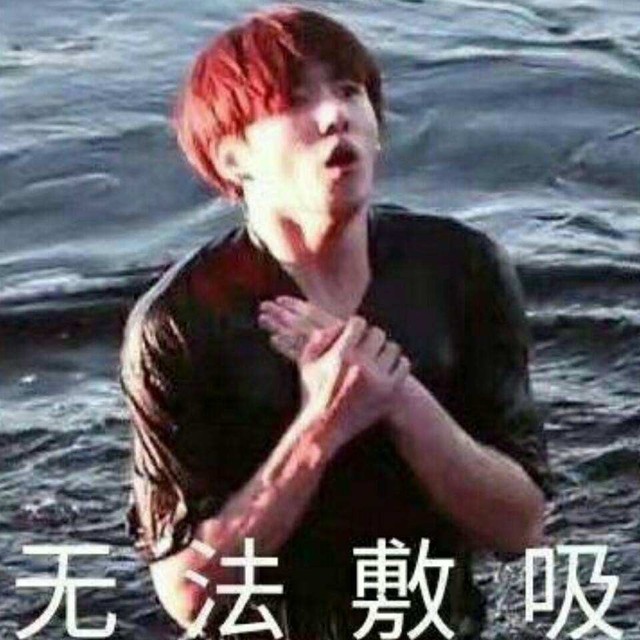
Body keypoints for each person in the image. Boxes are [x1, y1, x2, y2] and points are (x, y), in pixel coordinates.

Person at [120, 6, 553, 638]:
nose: (335, 115)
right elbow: (189, 597)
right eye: (295, 102)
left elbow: (522, 527)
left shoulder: (461, 268)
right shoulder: (182, 323)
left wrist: (399, 398)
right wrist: (322, 425)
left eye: (350, 92)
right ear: (233, 157)